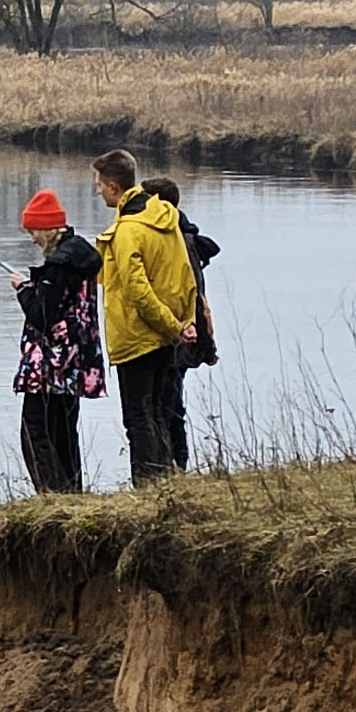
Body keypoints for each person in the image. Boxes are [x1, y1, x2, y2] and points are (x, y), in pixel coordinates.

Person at [92, 151, 198, 486]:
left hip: (138, 337)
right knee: (160, 412)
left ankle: (148, 486)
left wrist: (170, 326)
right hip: (168, 337)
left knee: (138, 416)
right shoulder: (167, 218)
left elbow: (138, 292)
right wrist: (184, 322)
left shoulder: (127, 231)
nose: (96, 192)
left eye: (98, 185)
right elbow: (186, 277)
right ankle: (168, 481)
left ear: (113, 186)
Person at [9, 186, 103, 493]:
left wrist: (24, 289)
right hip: (77, 361)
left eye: (33, 231)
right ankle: (72, 492)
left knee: (34, 431)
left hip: (50, 364)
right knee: (64, 430)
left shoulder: (58, 266)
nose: (32, 239)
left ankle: (52, 494)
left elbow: (42, 316)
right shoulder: (82, 257)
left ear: (47, 228)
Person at [145, 176, 220, 473]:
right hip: (182, 332)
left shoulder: (179, 241)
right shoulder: (182, 236)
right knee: (168, 401)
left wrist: (200, 337)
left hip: (179, 334)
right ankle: (173, 465)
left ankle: (173, 465)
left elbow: (192, 291)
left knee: (168, 404)